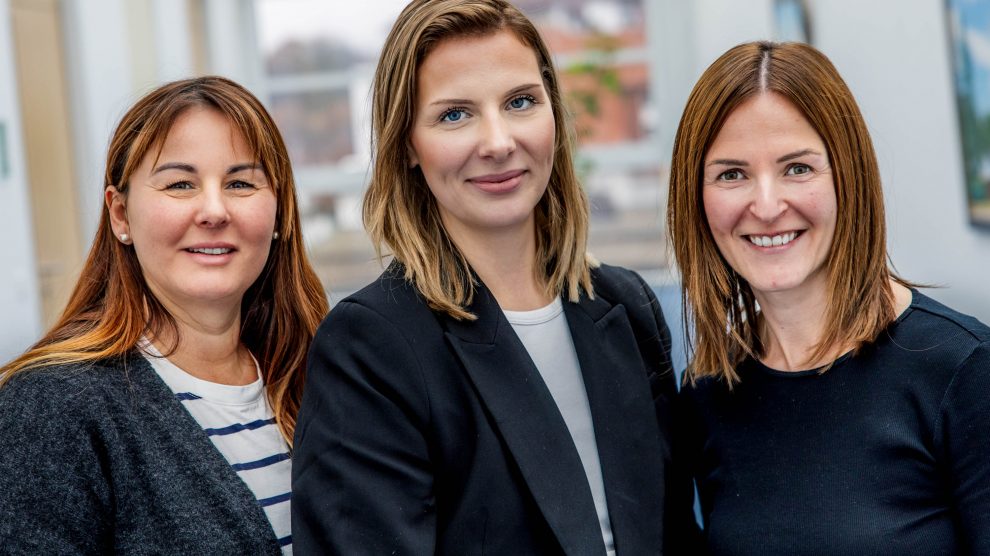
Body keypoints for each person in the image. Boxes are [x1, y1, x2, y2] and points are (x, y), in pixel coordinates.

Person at [292, 0, 694, 553]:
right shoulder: (370, 348)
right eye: (455, 114)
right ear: (407, 144)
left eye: (521, 102)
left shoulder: (627, 308)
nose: (499, 141)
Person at [667, 40, 990, 555]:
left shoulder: (964, 370)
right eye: (732, 174)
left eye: (797, 168)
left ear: (849, 177)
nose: (767, 206)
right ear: (696, 197)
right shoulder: (709, 390)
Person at [0, 76, 328, 554]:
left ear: (279, 214)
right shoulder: (51, 407)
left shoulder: (317, 376)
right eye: (180, 184)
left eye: (240, 182)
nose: (214, 211)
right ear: (120, 215)